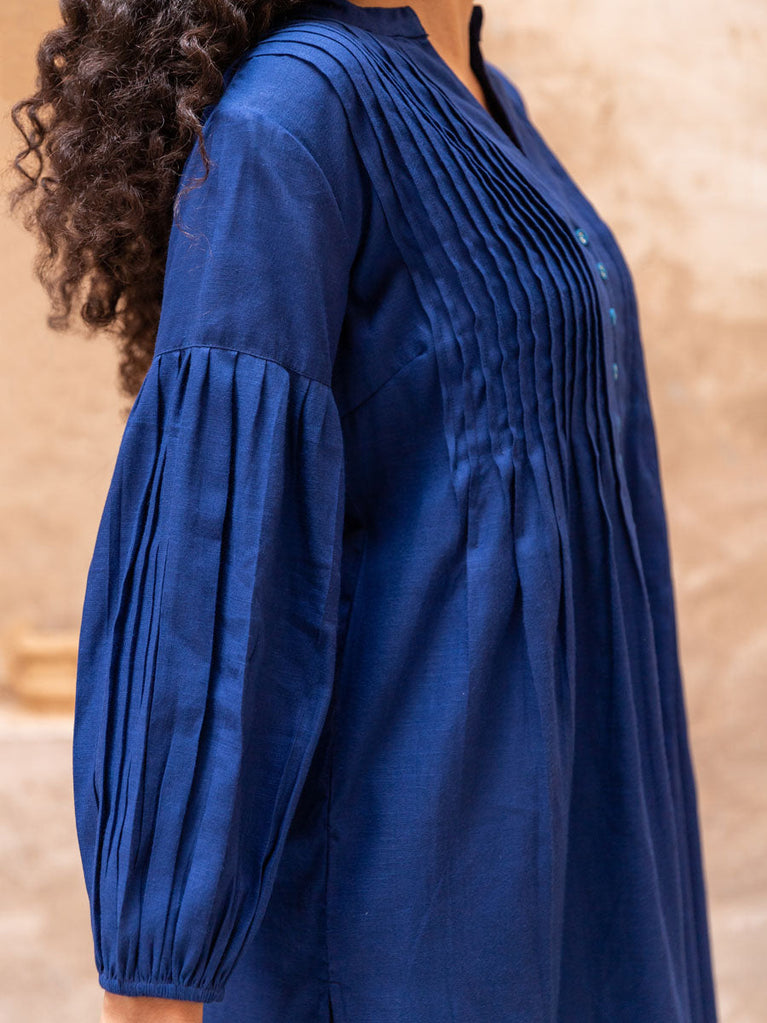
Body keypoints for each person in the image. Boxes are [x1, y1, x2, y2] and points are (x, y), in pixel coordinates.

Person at [8, 0, 719, 1020]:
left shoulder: (486, 97)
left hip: (584, 853)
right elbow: (209, 555)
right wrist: (156, 969)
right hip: (421, 913)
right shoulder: (293, 119)